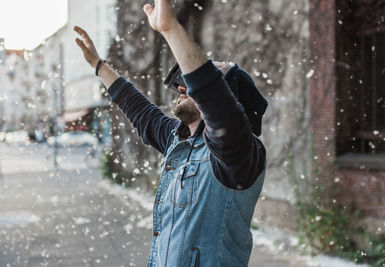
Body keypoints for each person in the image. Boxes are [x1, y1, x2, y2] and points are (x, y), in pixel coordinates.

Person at [74, 0, 268, 266]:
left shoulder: (238, 154)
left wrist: (170, 29)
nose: (182, 85)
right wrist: (99, 65)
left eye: (195, 80)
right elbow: (140, 110)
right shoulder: (179, 139)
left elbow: (211, 94)